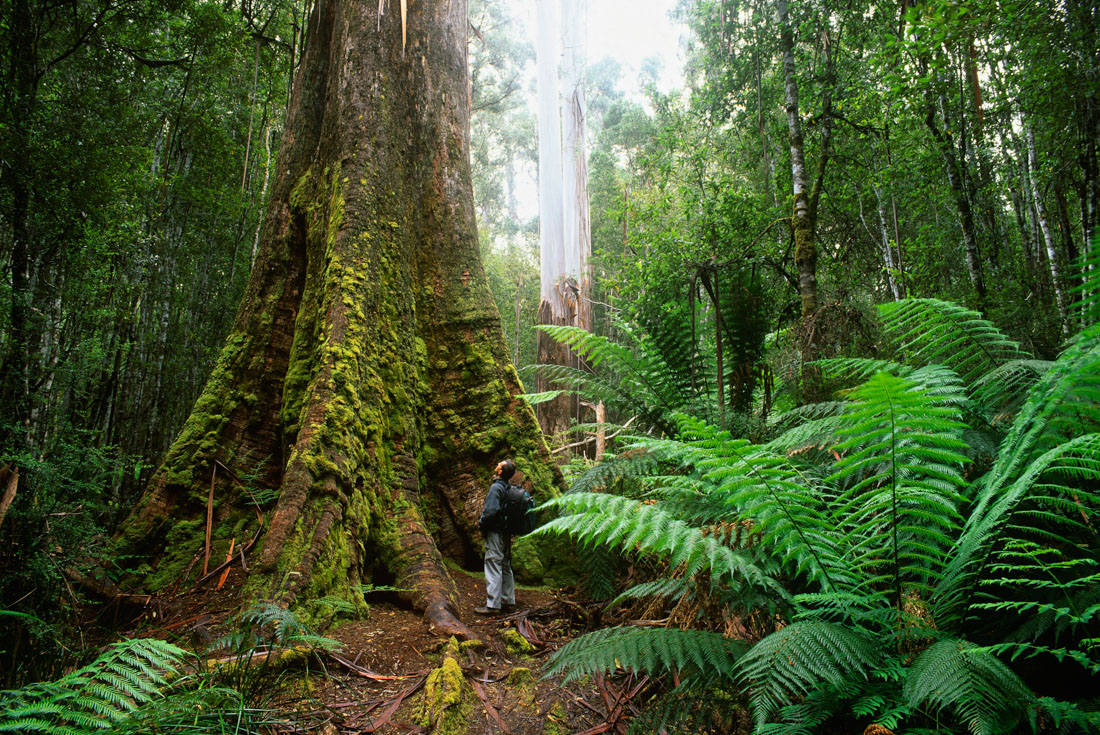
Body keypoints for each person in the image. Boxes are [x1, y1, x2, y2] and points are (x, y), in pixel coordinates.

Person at [476, 459, 517, 615]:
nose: (497, 464)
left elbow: (491, 511)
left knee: (493, 562)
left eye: (500, 464)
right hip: (506, 532)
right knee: (505, 564)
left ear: (500, 471)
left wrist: (482, 525)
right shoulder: (509, 488)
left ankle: (493, 605)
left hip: (495, 531)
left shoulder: (496, 488)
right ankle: (508, 601)